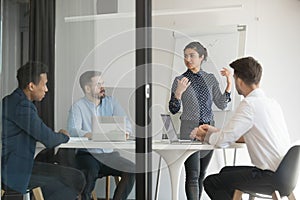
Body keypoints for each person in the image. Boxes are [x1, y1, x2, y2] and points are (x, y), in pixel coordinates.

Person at [190, 56, 291, 200]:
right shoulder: (272, 104)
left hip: (269, 177)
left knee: (212, 182)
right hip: (285, 175)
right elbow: (243, 135)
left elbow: (222, 142)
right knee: (225, 171)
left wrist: (204, 135)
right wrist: (213, 131)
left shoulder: (249, 104)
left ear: (238, 80)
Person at [1, 62, 86, 200]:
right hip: (15, 171)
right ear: (31, 86)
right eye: (44, 84)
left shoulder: (12, 101)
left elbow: (41, 132)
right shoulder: (22, 107)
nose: (46, 89)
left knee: (75, 177)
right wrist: (63, 136)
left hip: (17, 165)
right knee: (73, 181)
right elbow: (49, 139)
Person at [168, 41, 232, 199]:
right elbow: (173, 109)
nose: (188, 59)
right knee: (193, 175)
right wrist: (178, 94)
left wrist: (229, 84)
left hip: (209, 131)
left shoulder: (210, 79)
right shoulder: (180, 80)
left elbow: (222, 104)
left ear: (201, 57)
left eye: (192, 55)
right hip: (189, 131)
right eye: (185, 56)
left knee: (202, 174)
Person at [67, 70, 135, 200]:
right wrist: (91, 134)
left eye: (103, 83)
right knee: (89, 173)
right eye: (98, 84)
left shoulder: (112, 102)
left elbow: (126, 124)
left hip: (109, 155)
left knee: (131, 169)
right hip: (88, 154)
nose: (103, 87)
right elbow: (73, 130)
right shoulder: (78, 106)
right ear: (87, 88)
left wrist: (125, 132)